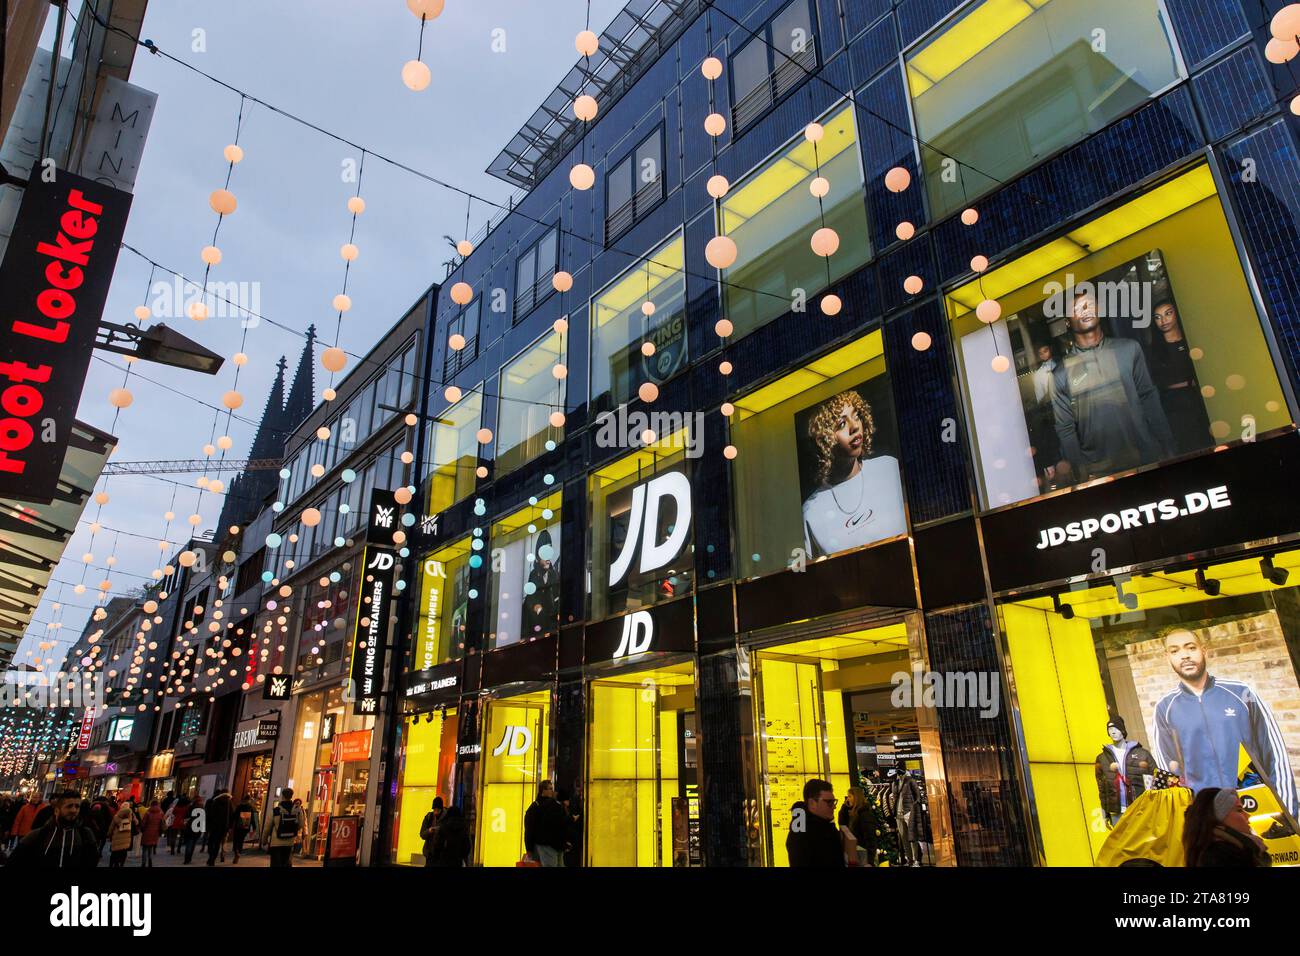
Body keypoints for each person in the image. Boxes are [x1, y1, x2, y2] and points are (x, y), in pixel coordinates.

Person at [1153, 627, 1298, 820]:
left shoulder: (1241, 693)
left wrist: (1288, 813)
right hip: (1207, 819)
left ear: (1204, 650)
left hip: (1257, 808)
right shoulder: (1165, 708)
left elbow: (1275, 755)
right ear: (1167, 658)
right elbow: (1169, 775)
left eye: (1190, 648)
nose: (1184, 655)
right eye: (1175, 651)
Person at [1050, 290, 1175, 481]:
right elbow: (1065, 428)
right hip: (1100, 470)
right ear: (1067, 321)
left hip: (1146, 457)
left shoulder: (1128, 348)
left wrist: (1168, 447)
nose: (1085, 310)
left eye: (1090, 304)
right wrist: (1081, 472)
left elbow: (1148, 397)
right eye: (1076, 308)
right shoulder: (1061, 372)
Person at [800, 390, 906, 559]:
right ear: (823, 439)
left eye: (856, 416)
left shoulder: (888, 468)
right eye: (841, 424)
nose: (855, 426)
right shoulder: (811, 512)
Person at [1147, 298, 1211, 455]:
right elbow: (1156, 382)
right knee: (1189, 447)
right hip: (1174, 404)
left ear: (1176, 314)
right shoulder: (1153, 350)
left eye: (1168, 313)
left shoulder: (1192, 340)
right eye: (1157, 317)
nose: (1163, 320)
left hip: (1202, 399)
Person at [6, 791, 99, 869]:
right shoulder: (38, 835)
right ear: (56, 811)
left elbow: (92, 861)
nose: (74, 810)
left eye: (77, 806)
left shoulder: (85, 835)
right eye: (69, 806)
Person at [1183, 787, 1270, 867]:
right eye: (1239, 810)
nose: (1248, 815)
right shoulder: (1222, 857)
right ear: (1219, 818)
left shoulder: (1232, 851)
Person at [787, 778, 844, 867]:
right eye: (829, 802)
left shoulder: (823, 824)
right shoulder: (802, 834)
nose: (834, 807)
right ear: (812, 803)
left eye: (834, 802)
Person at [521, 530, 560, 639]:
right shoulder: (534, 575)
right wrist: (539, 609)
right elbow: (532, 601)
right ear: (538, 556)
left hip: (552, 628)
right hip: (536, 630)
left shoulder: (554, 575)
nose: (548, 558)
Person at [523, 780, 568, 867]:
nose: (552, 791)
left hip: (553, 844)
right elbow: (529, 828)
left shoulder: (551, 805)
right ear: (543, 791)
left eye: (552, 789)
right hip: (546, 845)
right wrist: (529, 848)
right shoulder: (537, 807)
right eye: (550, 789)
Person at [266, 788, 304, 867]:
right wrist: (292, 829)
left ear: (282, 795)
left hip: (276, 842)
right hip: (289, 841)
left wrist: (264, 840)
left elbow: (267, 827)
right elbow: (301, 824)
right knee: (285, 862)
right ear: (291, 796)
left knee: (275, 863)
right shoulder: (297, 810)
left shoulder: (276, 810)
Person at [838, 786, 875, 866]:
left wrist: (870, 862)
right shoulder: (853, 813)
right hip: (855, 853)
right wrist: (844, 807)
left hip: (863, 855)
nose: (848, 799)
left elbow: (870, 838)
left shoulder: (865, 814)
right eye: (847, 796)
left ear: (856, 797)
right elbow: (842, 825)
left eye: (850, 796)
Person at [205, 789, 232, 865]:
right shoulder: (229, 803)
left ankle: (211, 857)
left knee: (211, 842)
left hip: (214, 827)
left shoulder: (215, 802)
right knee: (217, 844)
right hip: (224, 828)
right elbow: (231, 815)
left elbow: (210, 814)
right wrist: (229, 826)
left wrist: (208, 824)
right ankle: (213, 859)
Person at [108, 800, 138, 867]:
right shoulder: (131, 816)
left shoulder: (117, 816)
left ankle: (113, 864)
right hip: (126, 839)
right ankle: (121, 864)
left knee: (114, 853)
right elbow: (137, 823)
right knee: (123, 853)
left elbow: (111, 828)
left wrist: (109, 835)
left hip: (116, 838)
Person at [419, 796, 445, 866]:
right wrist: (429, 831)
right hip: (429, 854)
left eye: (438, 810)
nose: (435, 812)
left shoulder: (446, 818)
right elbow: (422, 834)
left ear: (441, 809)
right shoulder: (429, 817)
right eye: (434, 810)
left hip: (441, 855)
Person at [231, 793, 256, 863]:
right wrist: (254, 827)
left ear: (244, 799)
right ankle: (239, 852)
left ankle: (236, 852)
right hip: (245, 826)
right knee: (241, 840)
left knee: (236, 840)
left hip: (238, 826)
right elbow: (253, 818)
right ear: (249, 800)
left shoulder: (239, 806)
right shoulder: (251, 807)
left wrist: (230, 824)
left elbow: (234, 816)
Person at [140, 799, 164, 867]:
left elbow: (143, 824)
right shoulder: (160, 813)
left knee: (145, 849)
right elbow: (161, 824)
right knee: (150, 848)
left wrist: (142, 829)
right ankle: (150, 862)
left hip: (147, 833)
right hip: (155, 833)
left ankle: (143, 863)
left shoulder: (148, 813)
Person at [182, 793, 204, 864]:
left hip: (190, 827)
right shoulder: (202, 809)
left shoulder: (190, 807)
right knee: (193, 843)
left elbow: (186, 817)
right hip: (197, 828)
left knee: (189, 843)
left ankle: (186, 859)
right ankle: (189, 858)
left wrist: (185, 825)